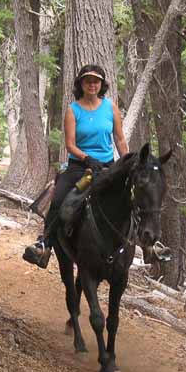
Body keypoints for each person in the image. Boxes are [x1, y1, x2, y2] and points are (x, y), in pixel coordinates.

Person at [23, 64, 128, 268]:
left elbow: (120, 138)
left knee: (132, 194)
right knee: (60, 199)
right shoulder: (73, 110)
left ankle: (150, 244)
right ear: (81, 83)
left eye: (96, 81)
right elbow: (70, 144)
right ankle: (44, 244)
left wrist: (128, 162)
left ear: (102, 84)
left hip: (107, 165)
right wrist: (87, 158)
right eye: (88, 80)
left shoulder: (110, 107)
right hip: (80, 166)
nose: (92, 84)